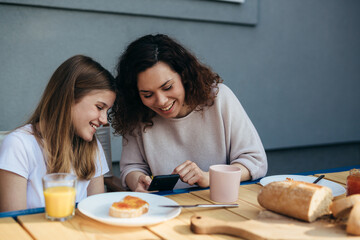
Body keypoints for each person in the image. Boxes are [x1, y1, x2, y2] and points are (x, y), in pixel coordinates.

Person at [110, 34, 267, 192]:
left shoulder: (219, 99)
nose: (161, 101)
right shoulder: (137, 111)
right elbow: (131, 167)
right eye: (147, 95)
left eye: (167, 87)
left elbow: (254, 162)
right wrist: (138, 181)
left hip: (218, 203)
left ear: (184, 75)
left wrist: (209, 177)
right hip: (164, 208)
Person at [0, 55, 116, 212]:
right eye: (99, 107)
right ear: (69, 98)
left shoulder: (92, 148)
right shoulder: (19, 145)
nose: (104, 120)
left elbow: (95, 214)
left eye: (107, 111)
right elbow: (13, 224)